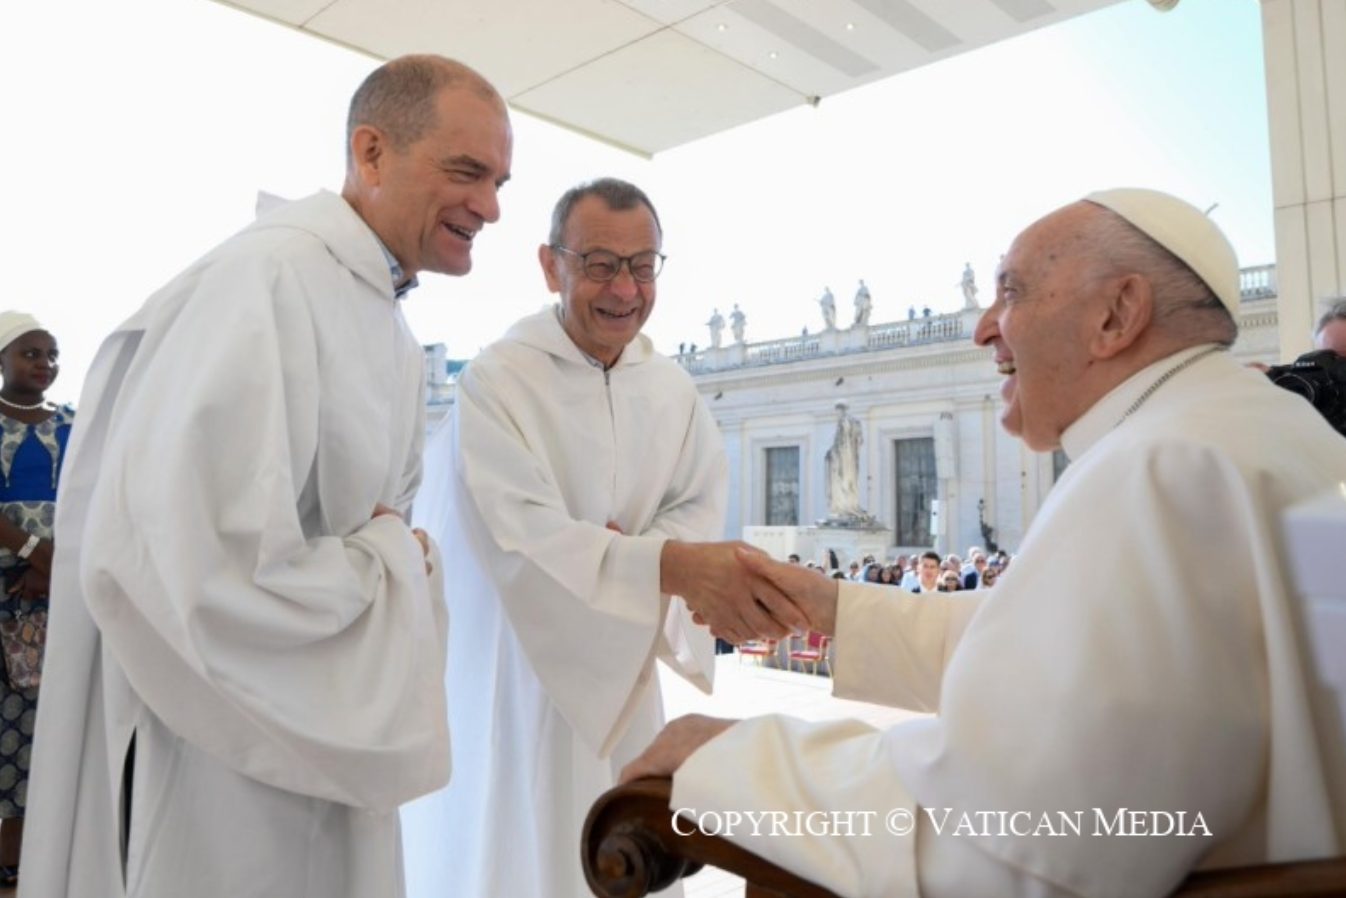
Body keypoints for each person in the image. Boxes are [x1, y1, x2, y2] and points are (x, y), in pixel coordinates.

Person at [624, 188, 1346, 897]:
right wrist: (837, 608)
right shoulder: (1264, 434)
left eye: (1013, 293)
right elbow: (1060, 654)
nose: (982, 330)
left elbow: (1021, 843)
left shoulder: (1158, 467)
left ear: (1116, 314)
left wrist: (737, 763)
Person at [21, 55, 513, 898]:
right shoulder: (262, 282)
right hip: (223, 756)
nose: (491, 207)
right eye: (466, 172)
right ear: (372, 152)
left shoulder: (385, 325)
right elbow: (190, 564)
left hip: (329, 726)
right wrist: (395, 560)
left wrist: (395, 555)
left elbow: (378, 525)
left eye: (499, 182)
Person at [400, 177, 804, 898]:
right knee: (523, 846)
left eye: (643, 266)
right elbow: (517, 533)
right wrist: (652, 561)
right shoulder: (499, 382)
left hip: (624, 678)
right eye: (599, 265)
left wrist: (639, 557)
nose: (625, 289)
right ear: (550, 266)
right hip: (523, 675)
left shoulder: (672, 390)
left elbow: (696, 505)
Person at [0, 314, 72, 888]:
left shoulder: (75, 423)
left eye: (51, 354)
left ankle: (26, 857)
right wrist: (32, 552)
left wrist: (54, 569)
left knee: (41, 721)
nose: (44, 364)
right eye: (30, 353)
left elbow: (93, 495)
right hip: (9, 581)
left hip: (57, 589)